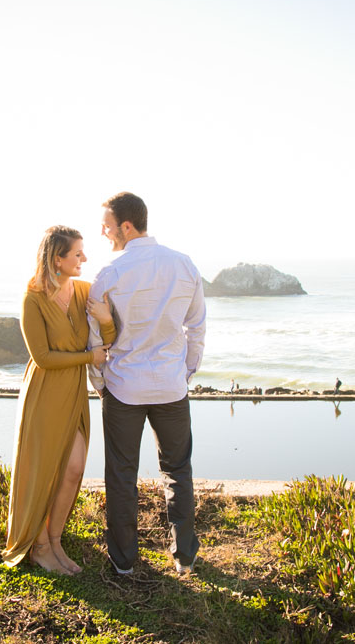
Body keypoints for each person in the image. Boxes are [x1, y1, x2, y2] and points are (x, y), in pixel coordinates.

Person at [88, 192, 206, 576]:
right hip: (172, 387)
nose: (103, 232)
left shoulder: (109, 273)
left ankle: (124, 561)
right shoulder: (184, 264)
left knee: (121, 473)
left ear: (126, 226)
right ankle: (184, 556)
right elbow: (196, 326)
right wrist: (185, 372)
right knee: (178, 469)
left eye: (107, 225)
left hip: (124, 387)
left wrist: (100, 382)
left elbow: (96, 339)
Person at [2, 225, 116, 575]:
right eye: (78, 253)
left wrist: (107, 320)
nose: (84, 258)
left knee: (74, 467)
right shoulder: (32, 298)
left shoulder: (84, 291)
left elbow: (106, 339)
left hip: (73, 393)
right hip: (44, 392)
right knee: (43, 472)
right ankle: (37, 547)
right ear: (57, 259)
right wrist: (88, 359)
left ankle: (54, 540)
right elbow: (43, 357)